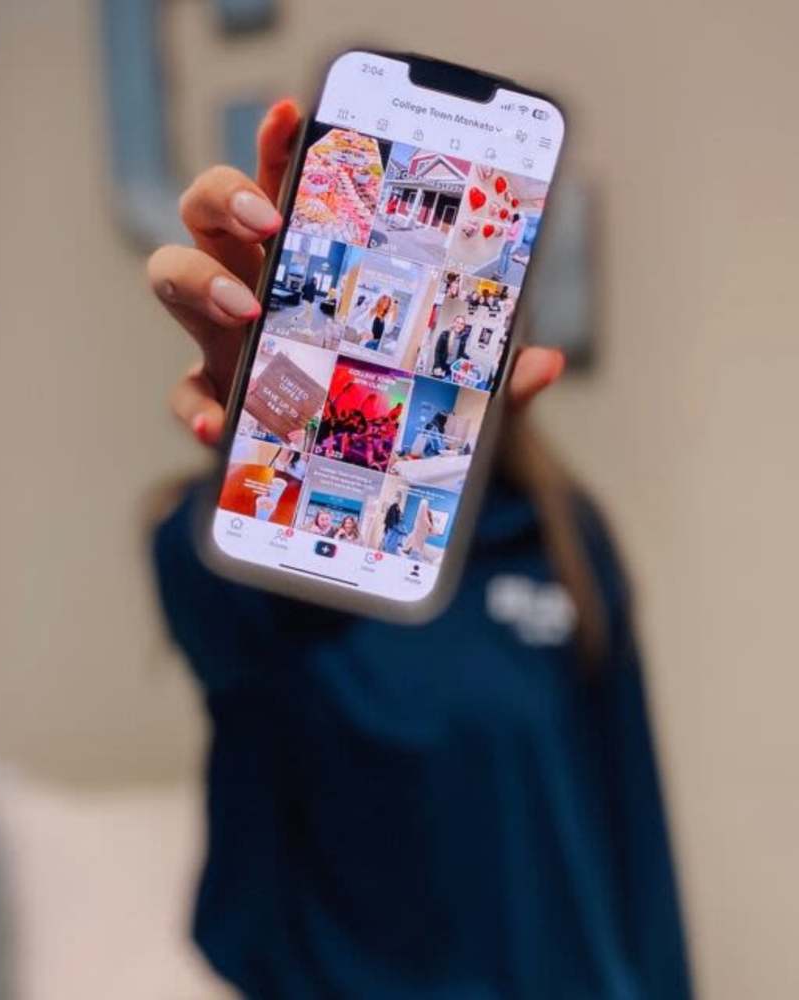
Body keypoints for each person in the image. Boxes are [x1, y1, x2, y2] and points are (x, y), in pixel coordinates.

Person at [147, 99, 692, 999]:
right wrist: (274, 420)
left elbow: (634, 841)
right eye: (374, 262)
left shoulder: (563, 535)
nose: (402, 295)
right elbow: (214, 615)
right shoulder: (263, 562)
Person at [496, 212, 527, 279]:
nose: (511, 217)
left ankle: (500, 271)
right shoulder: (519, 224)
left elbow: (512, 232)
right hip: (512, 241)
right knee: (506, 255)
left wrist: (507, 229)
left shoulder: (516, 223)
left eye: (512, 216)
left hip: (509, 240)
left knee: (503, 255)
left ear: (515, 217)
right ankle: (504, 270)